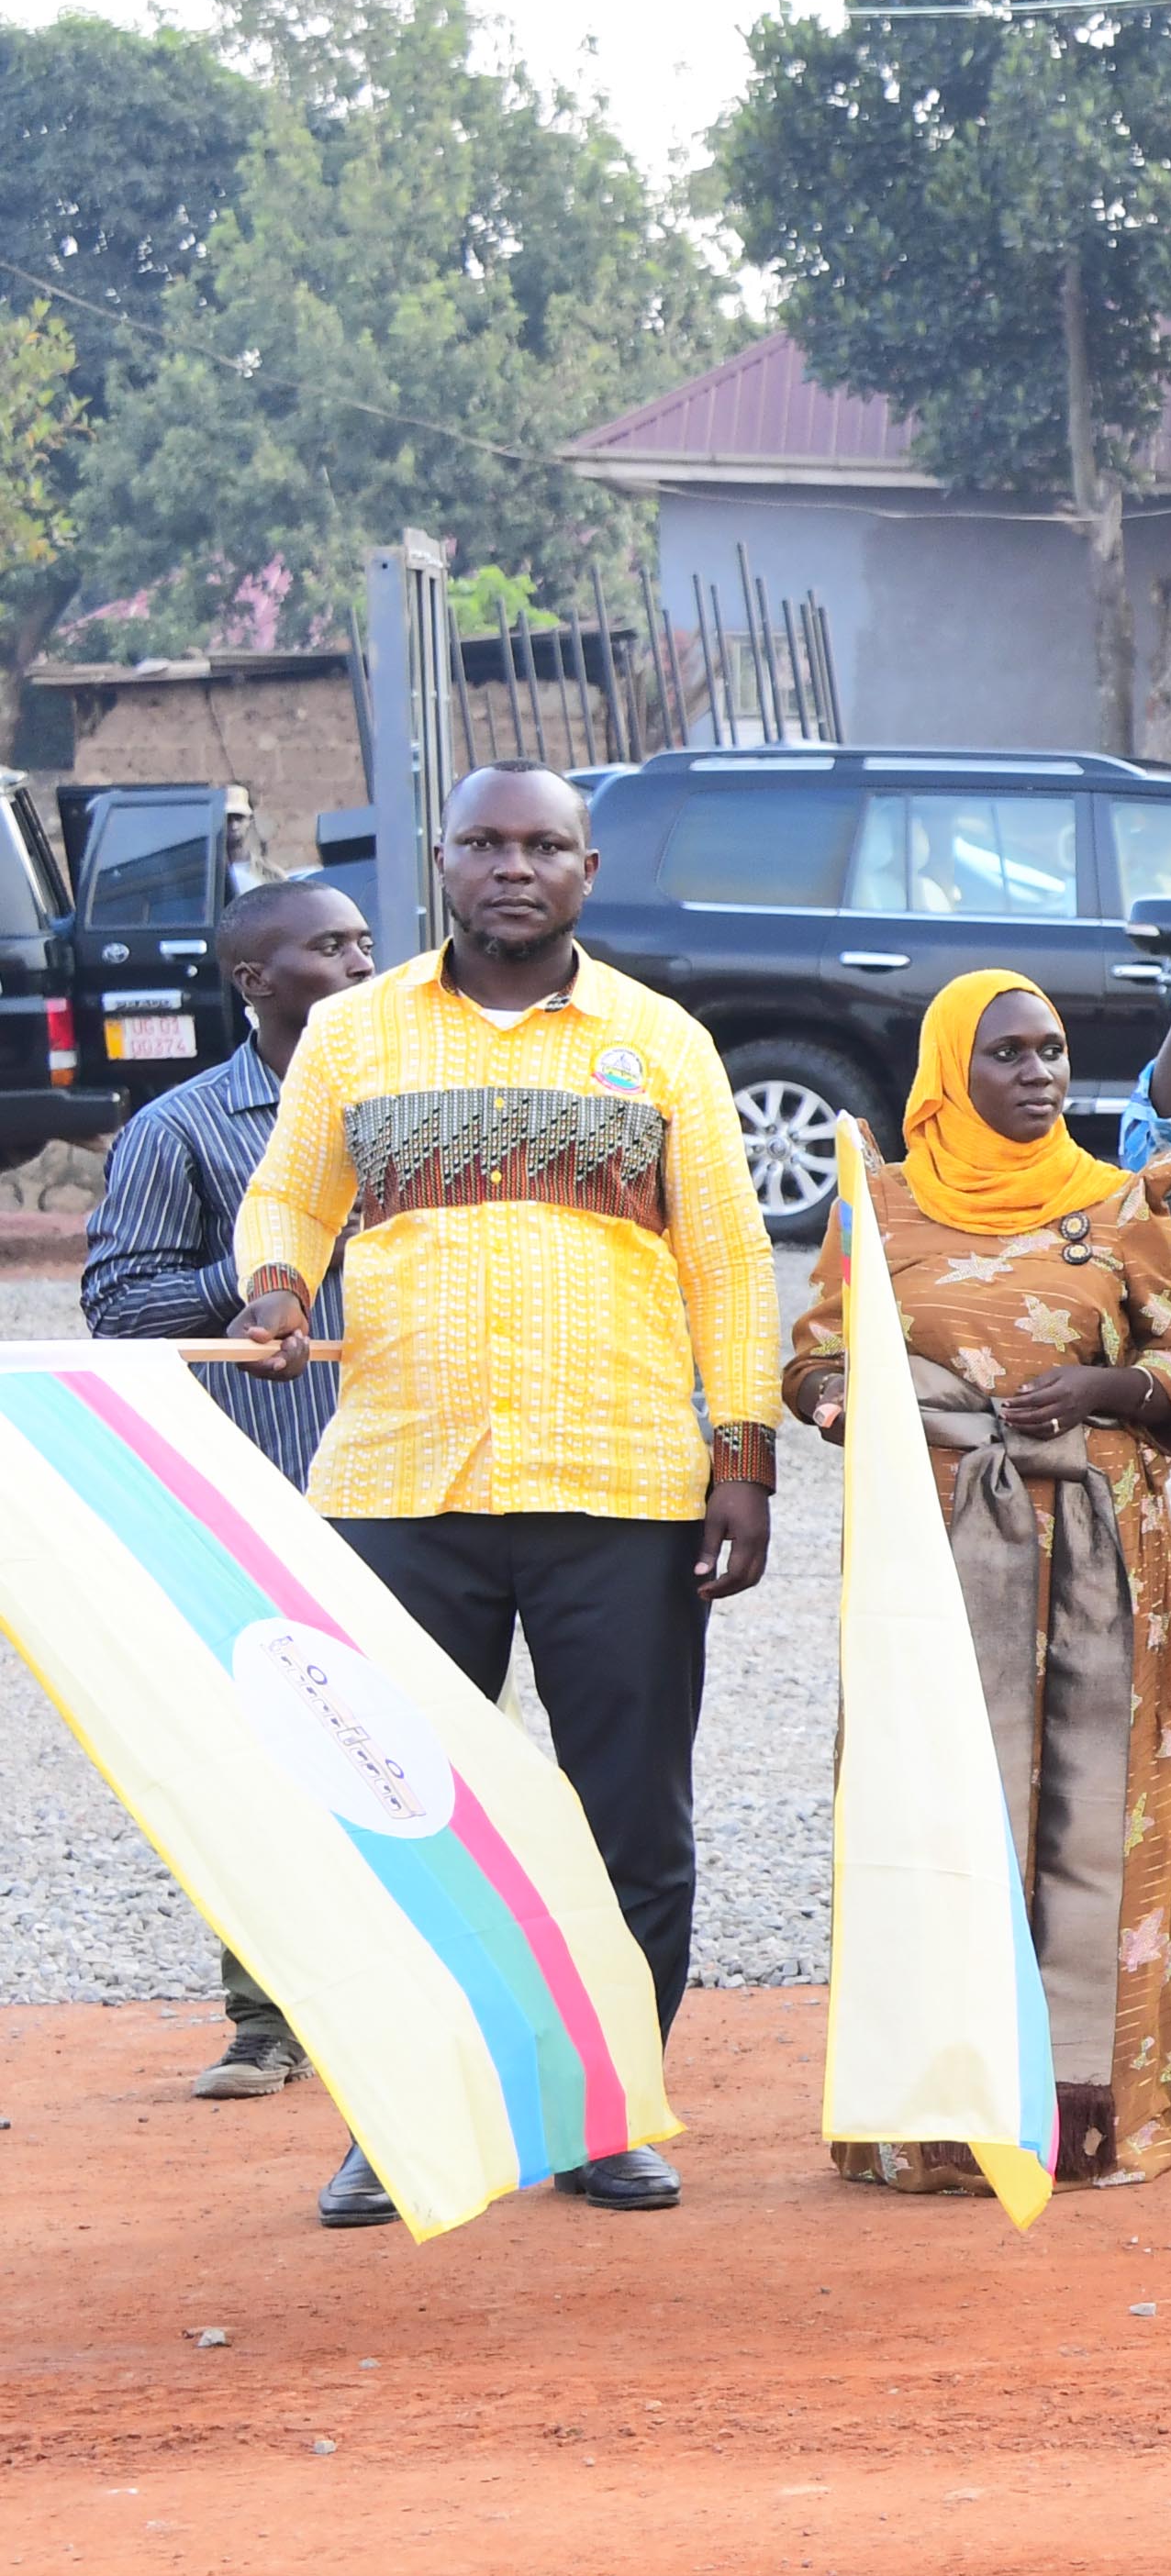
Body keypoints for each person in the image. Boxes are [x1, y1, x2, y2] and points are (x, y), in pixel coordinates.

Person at [233, 764, 779, 2228]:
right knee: (397, 1816)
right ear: (445, 861)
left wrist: (742, 1458)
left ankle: (604, 2112)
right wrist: (278, 1285)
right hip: (401, 1485)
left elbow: (731, 1262)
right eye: (485, 842)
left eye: (544, 845)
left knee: (629, 1826)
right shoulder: (353, 1033)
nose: (514, 867)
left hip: (622, 1486)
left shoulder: (660, 1043)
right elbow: (289, 1195)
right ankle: (401, 2119)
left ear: (588, 869)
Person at [785, 974, 1171, 2189]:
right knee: (936, 1810)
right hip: (930, 1562)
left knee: (1097, 1817)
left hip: (1098, 1553)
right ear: (948, 1073)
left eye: (1053, 1050)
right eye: (1009, 1054)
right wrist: (844, 1406)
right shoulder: (877, 1205)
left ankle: (1091, 2123)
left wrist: (1102, 1388)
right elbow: (814, 1356)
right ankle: (935, 2127)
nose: (1039, 1074)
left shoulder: (1117, 1201)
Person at [84, 876, 373, 2102]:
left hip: (428, 1486)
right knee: (276, 1763)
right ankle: (269, 2019)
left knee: (421, 1755)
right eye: (328, 946)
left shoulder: (422, 1105)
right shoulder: (183, 1129)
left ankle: (419, 2010)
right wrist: (258, 1280)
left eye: (365, 942)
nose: (359, 963)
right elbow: (117, 1305)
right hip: (270, 1498)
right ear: (254, 981)